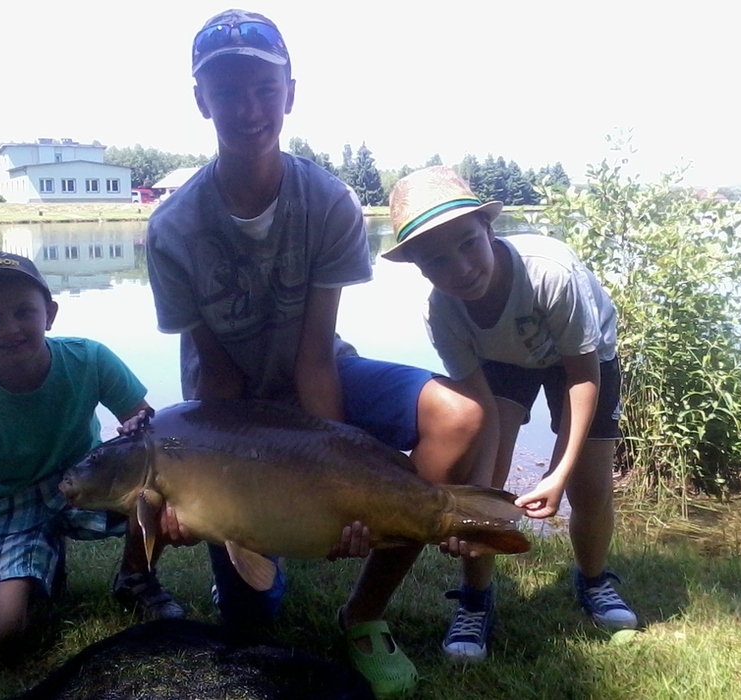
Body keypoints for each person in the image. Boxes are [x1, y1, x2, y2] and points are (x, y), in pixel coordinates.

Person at [145, 10, 496, 698]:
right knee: (251, 619)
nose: (249, 109)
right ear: (201, 101)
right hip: (228, 409)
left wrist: (340, 479)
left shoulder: (329, 201)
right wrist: (200, 488)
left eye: (264, 89)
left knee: (457, 416)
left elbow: (313, 356)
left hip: (318, 372)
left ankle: (363, 612)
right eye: (227, 91)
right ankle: (263, 561)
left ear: (290, 94)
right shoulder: (172, 228)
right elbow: (216, 373)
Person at [382, 165, 639, 659]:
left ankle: (593, 580)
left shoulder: (550, 272)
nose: (460, 269)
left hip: (584, 360)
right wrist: (473, 506)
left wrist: (557, 473)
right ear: (417, 266)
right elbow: (481, 410)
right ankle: (475, 600)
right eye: (436, 260)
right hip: (502, 361)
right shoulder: (442, 312)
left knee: (590, 486)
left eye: (467, 244)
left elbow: (583, 376)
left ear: (488, 227)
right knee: (485, 484)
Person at [0, 251, 183, 667]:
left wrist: (136, 427)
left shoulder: (90, 358)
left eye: (24, 312)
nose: (11, 328)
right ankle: (35, 575)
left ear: (49, 314)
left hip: (83, 481)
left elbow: (152, 433)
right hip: (9, 505)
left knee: (156, 482)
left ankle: (135, 578)